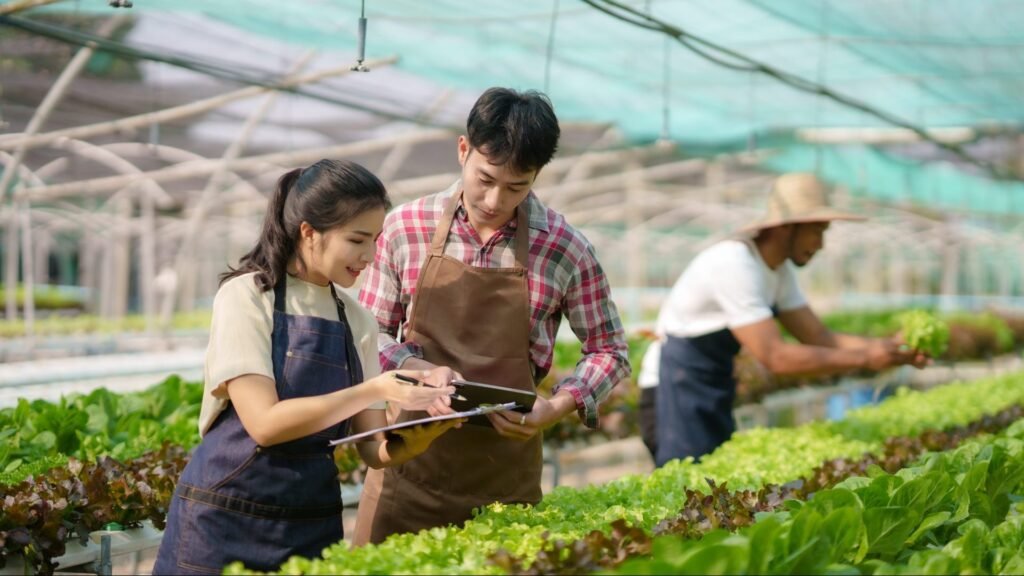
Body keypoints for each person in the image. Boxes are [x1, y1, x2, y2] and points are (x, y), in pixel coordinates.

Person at [153, 160, 461, 575]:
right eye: (357, 240)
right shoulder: (248, 296)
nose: (369, 256)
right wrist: (377, 389)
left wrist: (422, 434)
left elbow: (374, 449)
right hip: (224, 518)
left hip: (310, 523)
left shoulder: (356, 319)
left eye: (374, 240)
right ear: (309, 232)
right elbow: (264, 423)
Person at [353, 87, 631, 544]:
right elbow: (369, 332)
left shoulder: (565, 248)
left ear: (537, 175)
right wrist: (416, 369)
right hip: (406, 460)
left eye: (517, 186)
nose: (495, 199)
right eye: (485, 178)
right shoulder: (405, 226)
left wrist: (558, 406)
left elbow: (609, 349)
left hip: (505, 473)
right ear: (464, 150)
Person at [653, 172, 928, 467]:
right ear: (785, 228)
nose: (821, 244)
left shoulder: (779, 272)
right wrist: (864, 359)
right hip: (670, 392)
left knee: (710, 486)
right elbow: (776, 357)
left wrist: (888, 349)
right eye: (817, 231)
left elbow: (820, 337)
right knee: (686, 491)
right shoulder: (735, 263)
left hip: (710, 386)